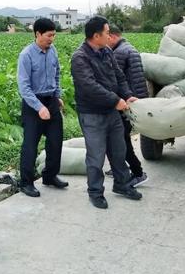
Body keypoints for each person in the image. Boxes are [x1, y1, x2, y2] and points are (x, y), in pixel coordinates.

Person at [71, 16, 143, 209]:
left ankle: (122, 185)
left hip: (112, 113)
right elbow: (89, 87)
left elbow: (119, 77)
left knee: (119, 152)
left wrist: (127, 95)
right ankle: (95, 192)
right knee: (96, 157)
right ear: (96, 36)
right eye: (106, 32)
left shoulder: (107, 51)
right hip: (92, 114)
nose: (109, 35)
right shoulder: (80, 58)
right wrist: (115, 100)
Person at [17, 17, 68, 197]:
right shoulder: (26, 55)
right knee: (30, 145)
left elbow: (56, 75)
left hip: (51, 101)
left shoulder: (52, 51)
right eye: (49, 35)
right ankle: (26, 182)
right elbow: (24, 87)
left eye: (54, 35)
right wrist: (39, 107)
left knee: (56, 141)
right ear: (37, 34)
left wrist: (57, 96)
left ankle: (50, 176)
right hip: (33, 104)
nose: (52, 39)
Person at [107, 25, 148, 187]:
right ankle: (120, 168)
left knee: (121, 140)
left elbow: (115, 80)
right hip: (135, 101)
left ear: (112, 36)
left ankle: (138, 173)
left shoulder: (119, 53)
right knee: (122, 138)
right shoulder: (128, 47)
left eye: (106, 37)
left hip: (126, 102)